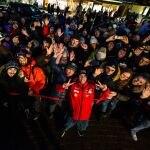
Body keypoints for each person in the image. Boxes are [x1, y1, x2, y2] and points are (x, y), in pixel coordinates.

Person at [61, 70, 95, 137]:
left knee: (83, 126)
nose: (82, 78)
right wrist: (63, 86)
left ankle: (81, 130)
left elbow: (103, 96)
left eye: (84, 76)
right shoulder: (72, 85)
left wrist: (105, 90)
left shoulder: (92, 86)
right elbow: (60, 90)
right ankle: (64, 129)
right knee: (68, 124)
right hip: (73, 113)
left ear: (87, 77)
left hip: (85, 114)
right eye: (81, 76)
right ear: (78, 77)